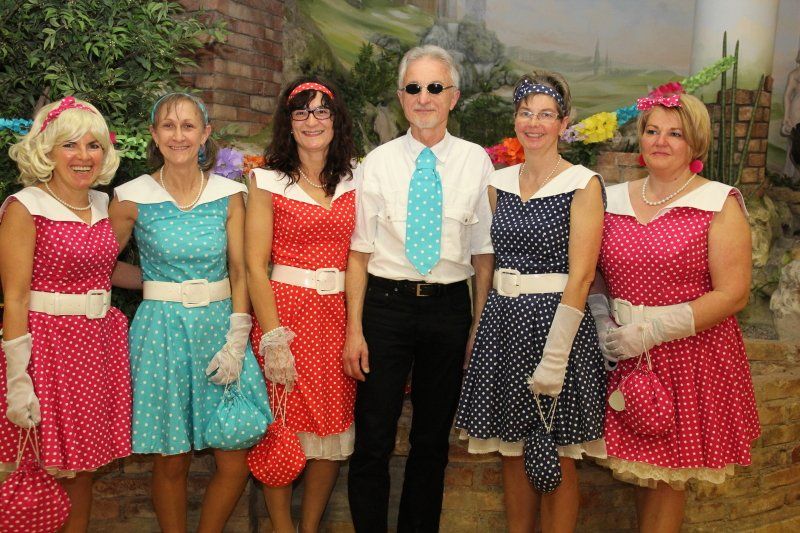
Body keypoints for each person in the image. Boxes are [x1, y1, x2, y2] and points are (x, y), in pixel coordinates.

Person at [589, 92, 760, 531]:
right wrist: (603, 319)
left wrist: (653, 331)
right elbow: (594, 272)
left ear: (695, 143)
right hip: (623, 353)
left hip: (689, 356)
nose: (660, 141)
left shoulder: (719, 203)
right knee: (644, 471)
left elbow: (733, 294)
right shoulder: (610, 199)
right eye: (652, 131)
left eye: (675, 134)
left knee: (669, 478)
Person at [345, 44, 495, 532]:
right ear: (400, 97)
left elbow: (483, 253)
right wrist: (354, 330)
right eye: (413, 88)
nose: (424, 97)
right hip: (384, 308)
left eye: (435, 87)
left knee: (431, 442)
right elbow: (359, 252)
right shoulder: (377, 163)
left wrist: (477, 326)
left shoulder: (476, 162)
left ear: (453, 97)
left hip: (448, 310)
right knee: (373, 438)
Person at [108, 93, 271, 533]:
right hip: (162, 334)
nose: (178, 135)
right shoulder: (130, 198)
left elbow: (240, 270)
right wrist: (156, 285)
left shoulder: (230, 195)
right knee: (171, 460)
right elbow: (100, 266)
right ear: (153, 135)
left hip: (221, 331)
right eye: (168, 126)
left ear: (205, 134)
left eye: (188, 126)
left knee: (234, 457)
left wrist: (238, 339)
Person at [455, 71, 607, 532]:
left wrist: (555, 357)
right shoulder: (498, 183)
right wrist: (479, 327)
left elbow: (582, 276)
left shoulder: (583, 183)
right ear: (515, 119)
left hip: (556, 326)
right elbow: (489, 261)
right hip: (504, 324)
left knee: (556, 452)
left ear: (563, 122)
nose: (534, 123)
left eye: (546, 114)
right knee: (513, 450)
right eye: (526, 113)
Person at [0, 96, 131, 531]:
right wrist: (18, 380)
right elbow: (15, 298)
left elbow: (106, 271)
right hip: (47, 350)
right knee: (41, 468)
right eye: (70, 145)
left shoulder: (102, 203)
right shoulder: (25, 207)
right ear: (48, 150)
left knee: (83, 471)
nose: (83, 156)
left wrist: (176, 282)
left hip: (96, 350)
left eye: (94, 145)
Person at [245, 77, 357, 533]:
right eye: (301, 112)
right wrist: (274, 339)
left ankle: (308, 528)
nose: (312, 121)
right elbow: (254, 266)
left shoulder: (355, 178)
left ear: (336, 120)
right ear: (288, 123)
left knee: (331, 427)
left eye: (322, 111)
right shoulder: (266, 180)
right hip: (287, 317)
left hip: (338, 318)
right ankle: (281, 528)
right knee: (283, 426)